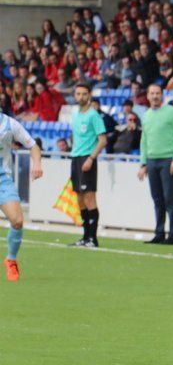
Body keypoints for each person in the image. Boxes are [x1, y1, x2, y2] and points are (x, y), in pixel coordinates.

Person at [138, 84, 173, 245]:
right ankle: (159, 232)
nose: (155, 96)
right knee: (157, 199)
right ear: (147, 95)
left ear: (162, 95)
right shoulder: (146, 115)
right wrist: (143, 163)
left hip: (168, 160)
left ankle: (172, 235)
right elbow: (144, 141)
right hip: (152, 161)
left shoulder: (172, 112)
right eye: (152, 93)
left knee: (169, 199)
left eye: (157, 93)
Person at [0, 112, 43, 281]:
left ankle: (11, 259)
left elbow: (33, 146)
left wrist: (37, 164)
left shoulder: (9, 124)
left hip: (3, 180)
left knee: (17, 221)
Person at [68, 84, 107, 247]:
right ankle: (85, 236)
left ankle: (93, 238)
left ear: (89, 95)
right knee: (79, 198)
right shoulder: (75, 115)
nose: (81, 97)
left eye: (84, 94)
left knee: (89, 197)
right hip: (76, 157)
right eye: (78, 94)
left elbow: (103, 140)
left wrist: (91, 158)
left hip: (87, 158)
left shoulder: (94, 115)